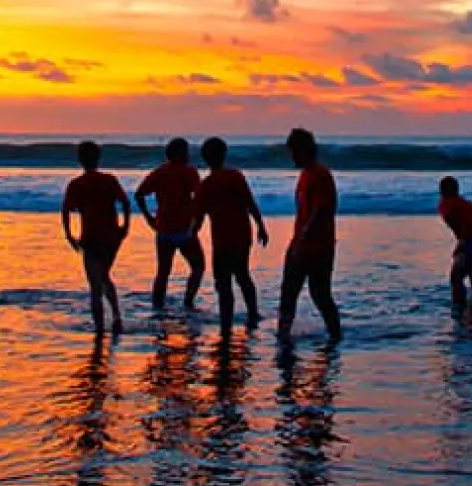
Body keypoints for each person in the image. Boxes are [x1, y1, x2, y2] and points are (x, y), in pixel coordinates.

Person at [193, 135, 269, 335]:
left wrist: (190, 235)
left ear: (204, 158)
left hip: (222, 240)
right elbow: (250, 203)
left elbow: (198, 218)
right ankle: (253, 313)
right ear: (224, 154)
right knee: (243, 274)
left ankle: (226, 321)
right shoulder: (235, 176)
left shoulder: (205, 185)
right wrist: (261, 226)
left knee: (223, 282)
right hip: (242, 235)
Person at [278, 127, 342, 342]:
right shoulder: (307, 175)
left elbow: (320, 210)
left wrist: (302, 239)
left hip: (314, 246)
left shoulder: (319, 175)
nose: (291, 157)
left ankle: (285, 336)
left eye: (294, 152)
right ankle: (332, 333)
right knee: (314, 293)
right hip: (311, 243)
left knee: (303, 293)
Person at [62, 140, 131, 334]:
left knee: (95, 284)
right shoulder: (109, 180)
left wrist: (69, 234)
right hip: (111, 236)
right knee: (104, 276)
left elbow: (66, 211)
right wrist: (125, 226)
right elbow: (125, 203)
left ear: (79, 159)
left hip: (91, 237)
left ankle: (100, 329)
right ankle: (116, 315)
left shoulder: (76, 184)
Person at [136, 137, 205, 312]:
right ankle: (188, 302)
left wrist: (149, 218)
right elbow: (199, 197)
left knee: (163, 272)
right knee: (198, 267)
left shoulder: (160, 172)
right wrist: (197, 221)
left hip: (164, 228)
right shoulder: (189, 171)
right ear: (181, 153)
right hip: (184, 229)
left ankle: (157, 306)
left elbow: (139, 194)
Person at [437, 176, 472, 309]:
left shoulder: (447, 205)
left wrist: (462, 244)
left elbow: (457, 224)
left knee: (456, 277)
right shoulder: (463, 203)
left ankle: (459, 306)